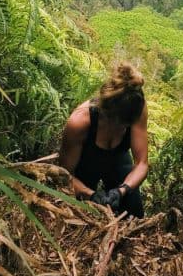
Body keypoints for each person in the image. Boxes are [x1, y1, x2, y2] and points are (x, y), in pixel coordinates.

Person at [59, 62, 148, 217]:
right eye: (119, 122)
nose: (122, 128)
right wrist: (89, 194)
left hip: (118, 159)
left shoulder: (136, 107)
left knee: (134, 212)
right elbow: (64, 175)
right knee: (80, 215)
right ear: (106, 111)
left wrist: (122, 191)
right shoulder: (80, 121)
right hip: (85, 165)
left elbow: (142, 163)